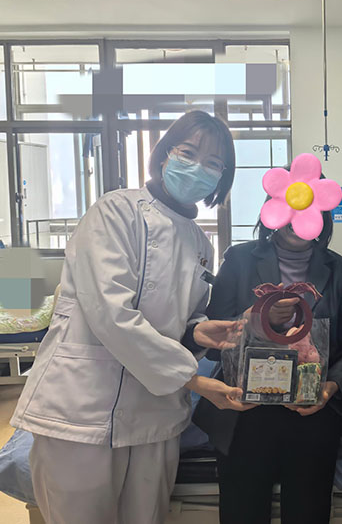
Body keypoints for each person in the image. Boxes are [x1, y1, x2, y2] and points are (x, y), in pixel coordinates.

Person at [11, 110, 253, 524]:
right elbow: (110, 313)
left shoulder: (200, 243)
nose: (198, 168)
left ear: (222, 178)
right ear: (164, 154)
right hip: (83, 407)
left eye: (213, 163)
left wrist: (199, 331)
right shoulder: (115, 212)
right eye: (188, 153)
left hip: (155, 416)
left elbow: (182, 317)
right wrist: (192, 379)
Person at [193, 192, 342, 524]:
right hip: (243, 413)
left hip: (312, 415)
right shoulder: (239, 260)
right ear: (272, 210)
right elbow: (212, 342)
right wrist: (255, 318)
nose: (297, 217)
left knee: (308, 515)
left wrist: (330, 388)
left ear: (322, 216)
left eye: (308, 208)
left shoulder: (341, 270)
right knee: (242, 514)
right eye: (289, 207)